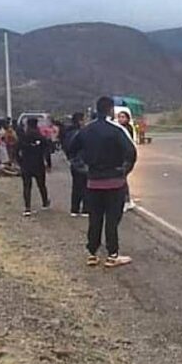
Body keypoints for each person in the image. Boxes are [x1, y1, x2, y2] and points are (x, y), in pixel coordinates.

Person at [68, 96, 137, 268]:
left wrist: (82, 168)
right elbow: (131, 152)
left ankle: (92, 253)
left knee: (95, 218)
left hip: (93, 182)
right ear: (111, 110)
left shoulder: (85, 131)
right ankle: (112, 254)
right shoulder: (116, 130)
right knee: (112, 220)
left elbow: (71, 150)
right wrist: (124, 170)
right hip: (114, 182)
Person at [16, 118, 52, 217]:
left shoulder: (23, 137)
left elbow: (16, 151)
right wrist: (48, 164)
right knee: (41, 184)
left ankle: (27, 207)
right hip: (38, 164)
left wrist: (20, 162)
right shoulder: (40, 137)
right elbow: (47, 151)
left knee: (27, 186)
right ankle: (45, 202)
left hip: (26, 164)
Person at [64, 112, 89, 217]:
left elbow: (66, 147)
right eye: (84, 119)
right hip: (83, 161)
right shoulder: (81, 133)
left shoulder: (68, 133)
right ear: (80, 121)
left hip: (73, 162)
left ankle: (74, 209)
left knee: (76, 185)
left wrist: (70, 158)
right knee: (85, 186)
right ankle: (85, 209)